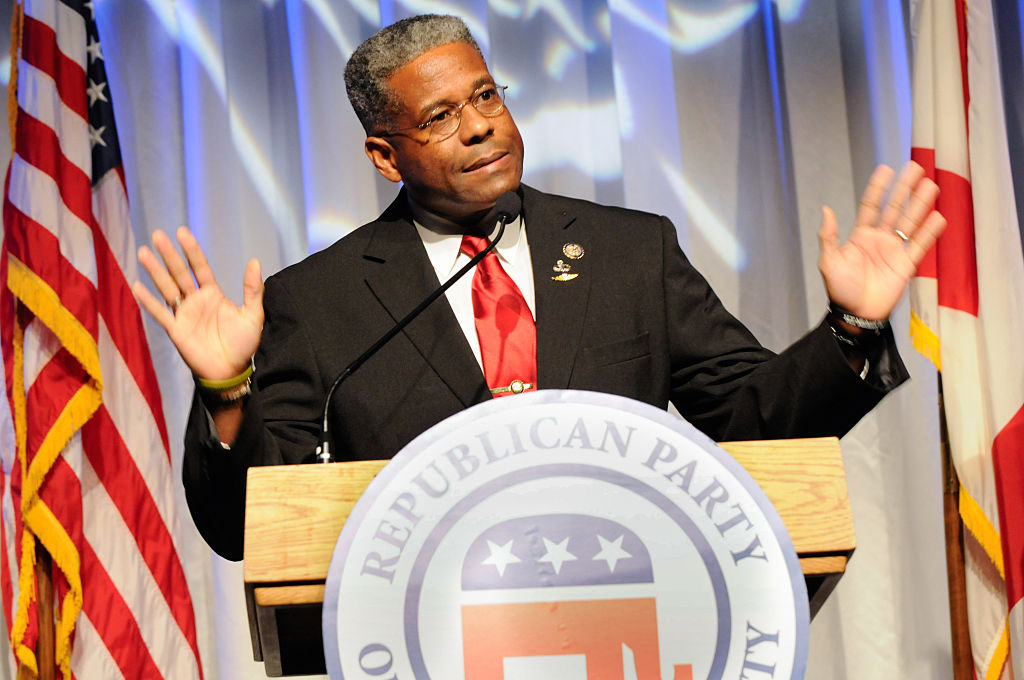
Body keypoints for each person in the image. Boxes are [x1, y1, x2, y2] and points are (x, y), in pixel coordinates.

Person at [133, 15, 946, 560]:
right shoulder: (319, 300)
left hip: (634, 608)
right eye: (442, 116)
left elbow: (753, 420)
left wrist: (850, 326)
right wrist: (225, 389)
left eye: (485, 95)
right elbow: (247, 527)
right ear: (386, 156)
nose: (482, 124)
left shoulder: (631, 251)